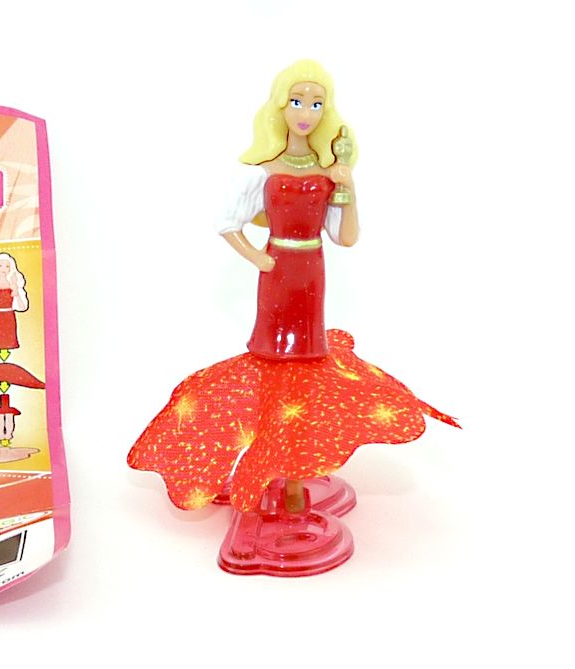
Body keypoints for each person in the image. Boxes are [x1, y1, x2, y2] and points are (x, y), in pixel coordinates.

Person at [127, 61, 458, 575]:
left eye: (316, 103)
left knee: (309, 366)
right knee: (276, 367)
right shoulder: (262, 168)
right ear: (281, 105)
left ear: (327, 110)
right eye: (298, 101)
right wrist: (258, 258)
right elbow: (226, 222)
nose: (306, 112)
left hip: (312, 274)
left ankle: (297, 463)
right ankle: (273, 469)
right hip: (279, 271)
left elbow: (346, 237)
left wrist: (347, 186)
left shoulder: (327, 170)